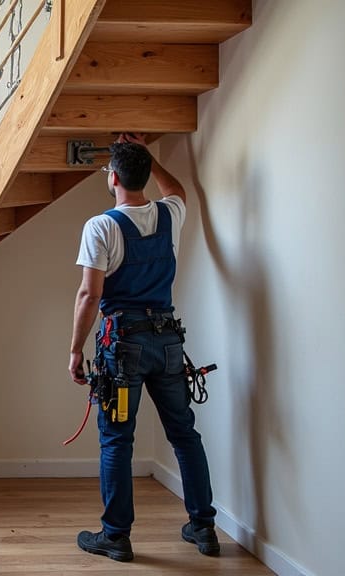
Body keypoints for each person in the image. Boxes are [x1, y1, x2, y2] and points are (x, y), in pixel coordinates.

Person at [68, 133, 218, 562]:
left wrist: (76, 350)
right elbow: (177, 189)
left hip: (123, 349)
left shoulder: (101, 227)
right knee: (184, 434)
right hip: (168, 341)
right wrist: (149, 158)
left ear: (113, 178)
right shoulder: (170, 214)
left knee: (117, 439)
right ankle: (203, 528)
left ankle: (116, 536)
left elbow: (89, 295)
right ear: (144, 174)